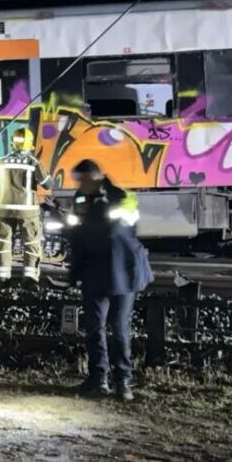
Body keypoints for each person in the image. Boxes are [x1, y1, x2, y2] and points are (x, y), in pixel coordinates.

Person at [66, 159, 152, 401]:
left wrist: (89, 220)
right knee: (95, 328)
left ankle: (123, 382)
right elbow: (79, 231)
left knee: (119, 328)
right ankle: (98, 378)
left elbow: (117, 230)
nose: (79, 185)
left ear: (95, 177)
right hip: (96, 271)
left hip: (121, 272)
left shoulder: (122, 196)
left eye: (81, 180)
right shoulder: (81, 198)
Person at [0, 127, 50, 282]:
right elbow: (48, 184)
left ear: (13, 142)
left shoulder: (3, 160)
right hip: (28, 212)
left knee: (4, 242)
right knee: (31, 242)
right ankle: (30, 278)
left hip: (5, 210)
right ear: (29, 144)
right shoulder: (33, 162)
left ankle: (3, 277)